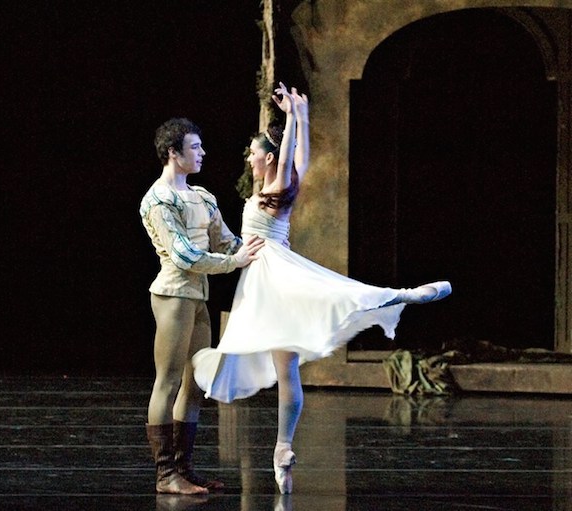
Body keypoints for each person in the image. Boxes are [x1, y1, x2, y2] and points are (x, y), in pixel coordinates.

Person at [192, 84, 452, 494]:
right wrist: (301, 115)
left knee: (337, 302)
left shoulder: (276, 192)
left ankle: (402, 295)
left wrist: (295, 119)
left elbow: (293, 161)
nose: (249, 157)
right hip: (266, 282)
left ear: (269, 159)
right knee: (287, 369)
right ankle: (282, 450)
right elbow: (301, 161)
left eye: (254, 153)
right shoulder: (271, 191)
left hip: (273, 282)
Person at [139, 117, 264, 495]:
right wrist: (233, 263)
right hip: (174, 294)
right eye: (194, 147)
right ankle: (165, 475)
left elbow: (225, 241)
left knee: (194, 384)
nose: (202, 153)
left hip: (197, 296)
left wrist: (259, 251)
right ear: (173, 153)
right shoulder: (158, 199)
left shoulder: (202, 197)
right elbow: (184, 255)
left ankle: (184, 468)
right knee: (169, 380)